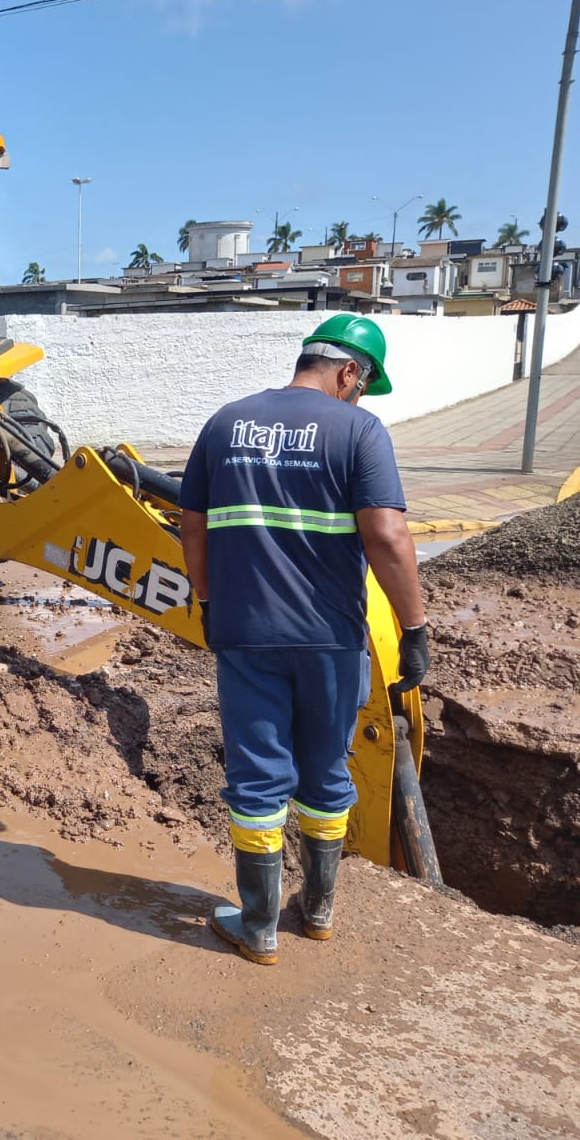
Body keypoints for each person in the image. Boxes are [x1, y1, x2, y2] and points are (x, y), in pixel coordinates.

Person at [177, 313, 429, 966]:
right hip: (331, 639)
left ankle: (258, 928)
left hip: (246, 634)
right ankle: (317, 912)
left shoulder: (225, 424)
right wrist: (414, 628)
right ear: (349, 371)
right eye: (364, 385)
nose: (362, 397)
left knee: (258, 780)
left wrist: (208, 602)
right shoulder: (359, 431)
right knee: (325, 771)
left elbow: (193, 529)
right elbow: (388, 536)